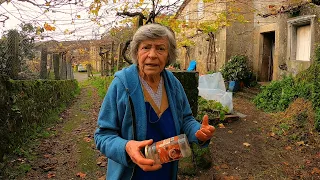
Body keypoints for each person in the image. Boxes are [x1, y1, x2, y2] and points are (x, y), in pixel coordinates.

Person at [94, 23, 215, 180]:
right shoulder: (122, 84)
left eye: (160, 48)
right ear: (137, 52)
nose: (152, 55)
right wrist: (126, 147)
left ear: (168, 55)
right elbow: (103, 135)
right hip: (131, 174)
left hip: (166, 171)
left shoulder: (173, 84)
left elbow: (186, 119)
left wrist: (198, 132)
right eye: (146, 47)